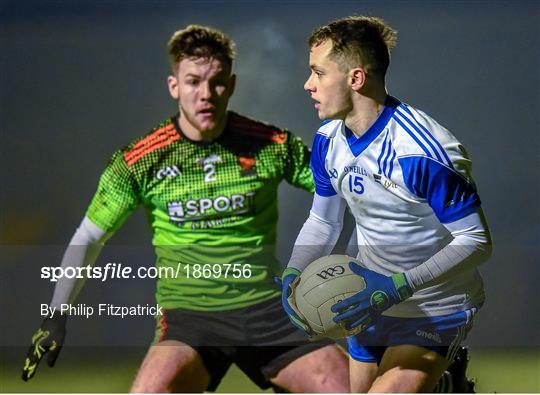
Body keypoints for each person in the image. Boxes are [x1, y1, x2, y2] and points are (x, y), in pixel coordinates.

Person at [21, 24, 350, 393]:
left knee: (353, 389)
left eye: (217, 82)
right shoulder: (140, 161)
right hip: (189, 319)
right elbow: (89, 236)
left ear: (232, 84)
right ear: (174, 86)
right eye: (193, 82)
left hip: (267, 311)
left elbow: (345, 189)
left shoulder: (271, 145)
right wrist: (57, 313)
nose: (206, 94)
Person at [280, 16, 491, 393]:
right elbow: (324, 221)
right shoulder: (329, 141)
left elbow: (476, 242)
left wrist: (398, 286)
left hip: (435, 307)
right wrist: (296, 271)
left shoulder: (423, 152)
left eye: (318, 73)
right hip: (364, 303)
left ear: (355, 78)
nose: (308, 85)